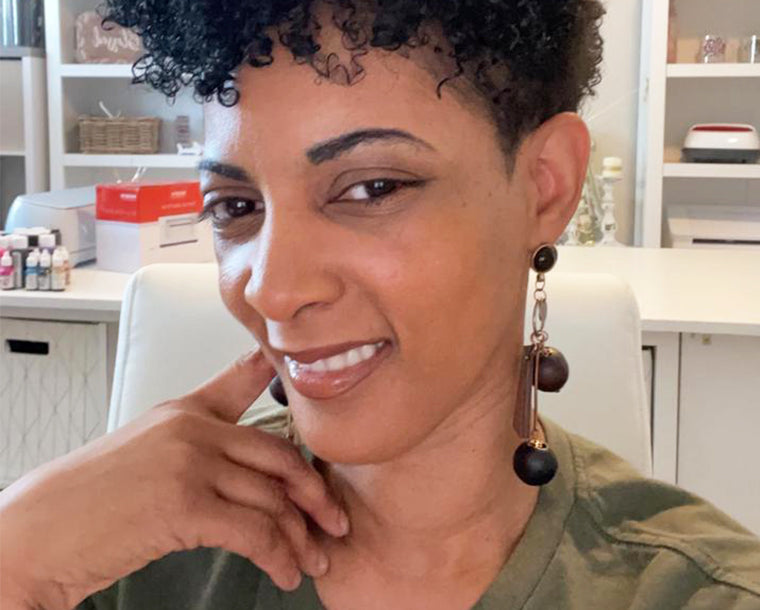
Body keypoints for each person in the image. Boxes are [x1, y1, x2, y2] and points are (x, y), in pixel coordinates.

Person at [2, 1, 759, 609]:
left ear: (545, 187)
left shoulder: (701, 592)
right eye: (235, 206)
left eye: (371, 188)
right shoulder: (123, 563)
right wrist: (18, 553)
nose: (270, 288)